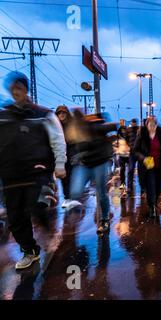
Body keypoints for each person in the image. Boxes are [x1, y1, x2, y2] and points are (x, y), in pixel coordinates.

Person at [0, 72, 67, 270]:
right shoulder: (3, 115)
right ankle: (30, 251)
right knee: (16, 218)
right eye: (13, 88)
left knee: (37, 207)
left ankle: (48, 235)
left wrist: (60, 163)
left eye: (19, 87)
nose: (16, 91)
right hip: (10, 174)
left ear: (26, 89)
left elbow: (57, 139)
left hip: (38, 172)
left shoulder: (43, 114)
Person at [67, 111, 117, 235]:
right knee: (75, 191)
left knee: (101, 193)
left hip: (100, 163)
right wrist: (75, 157)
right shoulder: (74, 133)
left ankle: (105, 219)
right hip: (84, 164)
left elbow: (112, 126)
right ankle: (74, 213)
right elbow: (71, 147)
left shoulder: (94, 127)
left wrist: (113, 126)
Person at [133, 117, 161, 218]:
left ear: (156, 125)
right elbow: (135, 151)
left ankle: (153, 202)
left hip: (159, 166)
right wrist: (143, 159)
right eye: (150, 124)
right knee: (151, 186)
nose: (152, 126)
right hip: (148, 168)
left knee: (158, 188)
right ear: (147, 126)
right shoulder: (142, 136)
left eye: (154, 124)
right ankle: (152, 207)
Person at [55, 105, 77, 208]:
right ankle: (67, 198)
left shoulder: (72, 126)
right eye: (59, 113)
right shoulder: (55, 126)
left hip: (71, 155)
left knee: (72, 177)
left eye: (63, 112)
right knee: (64, 179)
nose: (61, 114)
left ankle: (72, 197)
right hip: (60, 156)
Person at [125, 119, 140, 194]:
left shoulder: (139, 129)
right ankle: (129, 187)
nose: (134, 124)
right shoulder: (128, 130)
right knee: (130, 170)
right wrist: (130, 146)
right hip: (132, 153)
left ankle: (143, 188)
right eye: (133, 123)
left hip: (139, 152)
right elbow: (126, 139)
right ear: (131, 123)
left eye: (135, 123)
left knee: (142, 171)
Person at [116, 119, 130, 190]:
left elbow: (129, 139)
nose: (121, 123)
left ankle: (129, 184)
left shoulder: (126, 129)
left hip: (128, 153)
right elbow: (117, 140)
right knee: (122, 169)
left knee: (129, 170)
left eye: (122, 122)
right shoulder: (119, 130)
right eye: (120, 122)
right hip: (121, 153)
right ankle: (123, 184)